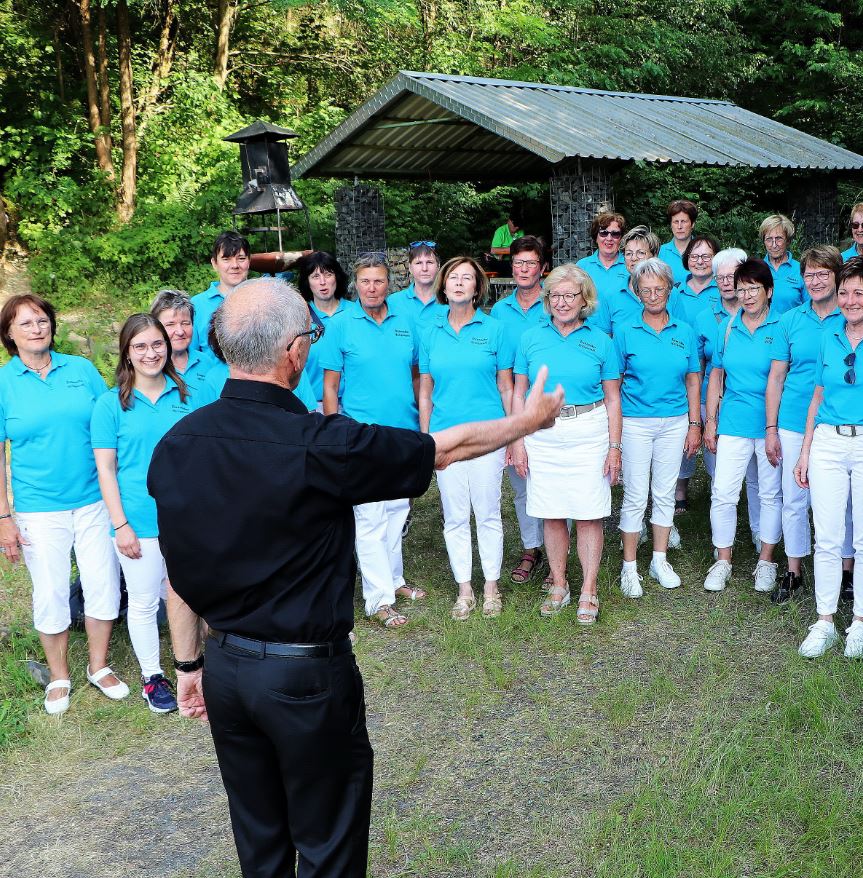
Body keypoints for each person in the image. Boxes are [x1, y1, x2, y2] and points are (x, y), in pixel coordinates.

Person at [147, 276, 564, 878]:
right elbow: (440, 448)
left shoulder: (177, 444)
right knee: (328, 845)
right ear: (295, 352)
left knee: (259, 840)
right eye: (311, 338)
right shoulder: (317, 443)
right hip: (304, 678)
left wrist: (189, 666)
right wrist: (528, 422)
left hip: (227, 673)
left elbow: (179, 573)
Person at [0, 294, 124, 715]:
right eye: (26, 323)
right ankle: (59, 676)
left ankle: (99, 666)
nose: (37, 328)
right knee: (50, 591)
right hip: (38, 507)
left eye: (41, 320)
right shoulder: (4, 382)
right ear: (10, 335)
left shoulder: (82, 370)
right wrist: (4, 517)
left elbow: (110, 424)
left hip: (94, 499)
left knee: (101, 582)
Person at [91, 314, 215, 714]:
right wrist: (120, 524)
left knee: (198, 594)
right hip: (140, 521)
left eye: (156, 344)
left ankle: (202, 666)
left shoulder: (190, 395)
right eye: (140, 346)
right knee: (145, 602)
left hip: (190, 518)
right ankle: (152, 677)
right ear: (127, 353)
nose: (151, 353)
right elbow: (106, 470)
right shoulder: (110, 405)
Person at [793, 256, 863, 659]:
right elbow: (817, 395)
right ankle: (824, 620)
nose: (850, 300)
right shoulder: (828, 334)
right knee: (828, 535)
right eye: (844, 292)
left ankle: (860, 623)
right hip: (828, 441)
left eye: (859, 292)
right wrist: (805, 451)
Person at [510, 264, 622, 625]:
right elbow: (518, 392)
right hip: (542, 431)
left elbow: (614, 399)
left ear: (584, 299)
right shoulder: (529, 338)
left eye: (569, 295)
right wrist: (518, 441)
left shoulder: (602, 340)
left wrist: (614, 447)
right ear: (547, 300)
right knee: (551, 509)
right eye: (555, 295)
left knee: (589, 512)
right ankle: (559, 584)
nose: (562, 302)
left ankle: (589, 588)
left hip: (589, 430)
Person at [323, 252, 425, 628]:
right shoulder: (342, 325)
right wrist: (333, 433)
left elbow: (416, 377)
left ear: (389, 284)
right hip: (359, 435)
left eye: (378, 281)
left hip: (402, 433)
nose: (371, 287)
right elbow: (330, 386)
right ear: (356, 284)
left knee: (397, 512)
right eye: (365, 281)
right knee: (369, 518)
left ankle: (395, 580)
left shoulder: (406, 321)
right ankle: (378, 601)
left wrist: (420, 424)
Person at [418, 256, 512, 620]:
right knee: (455, 516)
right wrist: (427, 439)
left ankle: (491, 587)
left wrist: (511, 433)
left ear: (477, 288)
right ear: (443, 286)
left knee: (488, 512)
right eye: (453, 277)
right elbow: (425, 391)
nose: (458, 283)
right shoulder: (430, 332)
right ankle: (465, 589)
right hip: (445, 437)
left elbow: (505, 386)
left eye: (466, 278)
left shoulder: (495, 330)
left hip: (487, 435)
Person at [766, 246, 847, 605]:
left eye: (822, 274)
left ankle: (846, 571)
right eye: (809, 275)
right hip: (794, 421)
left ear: (837, 276)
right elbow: (776, 378)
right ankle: (794, 569)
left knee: (839, 502)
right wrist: (771, 428)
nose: (814, 281)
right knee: (794, 499)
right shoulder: (790, 320)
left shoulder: (852, 316)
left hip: (835, 421)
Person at [615, 258, 701, 596]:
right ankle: (629, 567)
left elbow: (693, 380)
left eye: (659, 288)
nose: (654, 294)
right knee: (636, 495)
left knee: (664, 492)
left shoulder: (684, 331)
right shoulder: (624, 331)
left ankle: (659, 559)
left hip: (676, 421)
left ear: (669, 289)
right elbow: (614, 384)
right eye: (646, 289)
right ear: (637, 292)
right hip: (636, 422)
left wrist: (695, 423)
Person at [703, 259, 785, 594]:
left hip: (769, 424)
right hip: (733, 422)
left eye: (754, 288)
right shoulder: (729, 327)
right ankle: (723, 560)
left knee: (769, 494)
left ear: (769, 291)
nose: (748, 295)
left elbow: (779, 380)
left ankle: (766, 561)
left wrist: (772, 428)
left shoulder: (781, 326)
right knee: (723, 493)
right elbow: (716, 376)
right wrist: (710, 422)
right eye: (742, 288)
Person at [674, 247, 761, 541]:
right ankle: (722, 531)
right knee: (718, 470)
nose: (726, 282)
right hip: (714, 397)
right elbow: (696, 366)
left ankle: (756, 528)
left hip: (749, 400)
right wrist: (699, 411)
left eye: (731, 276)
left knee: (755, 475)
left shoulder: (765, 317)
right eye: (720, 277)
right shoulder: (704, 316)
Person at [490, 235, 552, 585]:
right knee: (522, 480)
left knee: (556, 477)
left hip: (550, 405)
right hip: (513, 404)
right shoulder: (500, 311)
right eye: (518, 263)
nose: (524, 269)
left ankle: (562, 550)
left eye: (530, 263)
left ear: (542, 267)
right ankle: (532, 547)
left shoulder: (555, 303)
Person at [295, 251, 358, 411]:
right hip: (312, 407)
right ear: (307, 282)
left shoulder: (357, 313)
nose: (323, 282)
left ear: (336, 277)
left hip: (356, 407)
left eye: (328, 274)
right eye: (315, 277)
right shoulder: (298, 318)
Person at [150, 289, 226, 399]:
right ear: (156, 327)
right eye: (170, 324)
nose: (180, 331)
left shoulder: (206, 363)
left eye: (185, 323)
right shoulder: (150, 365)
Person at [191, 230, 252, 357]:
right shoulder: (196, 305)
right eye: (226, 259)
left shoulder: (263, 299)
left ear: (249, 261)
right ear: (214, 263)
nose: (235, 265)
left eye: (241, 258)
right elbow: (191, 356)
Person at [591, 225, 657, 335]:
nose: (634, 258)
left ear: (654, 255)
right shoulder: (611, 295)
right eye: (628, 253)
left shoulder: (669, 293)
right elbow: (605, 339)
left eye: (640, 253)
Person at [575, 210, 630, 309]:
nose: (609, 238)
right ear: (596, 237)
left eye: (615, 234)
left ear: (621, 239)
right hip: (590, 324)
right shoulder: (582, 267)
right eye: (603, 233)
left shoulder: (630, 265)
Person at [387, 240, 444, 333]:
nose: (424, 268)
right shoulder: (394, 302)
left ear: (438, 266)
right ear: (410, 267)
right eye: (418, 263)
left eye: (429, 262)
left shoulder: (449, 301)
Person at [760, 214, 805, 315]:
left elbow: (811, 306)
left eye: (779, 238)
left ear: (788, 241)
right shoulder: (756, 269)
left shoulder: (801, 269)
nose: (774, 245)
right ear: (764, 242)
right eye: (769, 239)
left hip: (793, 329)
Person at [671, 235, 720, 328]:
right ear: (687, 259)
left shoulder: (724, 289)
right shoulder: (675, 290)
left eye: (706, 256)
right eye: (694, 256)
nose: (700, 261)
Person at [658, 199, 697, 281]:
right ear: (671, 225)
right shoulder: (660, 252)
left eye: (683, 221)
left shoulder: (703, 251)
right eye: (676, 222)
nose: (679, 226)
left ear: (692, 224)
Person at [487, 209, 522, 275]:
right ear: (509, 221)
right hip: (501, 262)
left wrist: (504, 250)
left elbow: (522, 249)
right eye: (515, 225)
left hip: (515, 261)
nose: (516, 228)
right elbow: (493, 250)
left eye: (518, 226)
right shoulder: (500, 231)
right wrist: (512, 249)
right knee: (509, 268)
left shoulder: (521, 232)